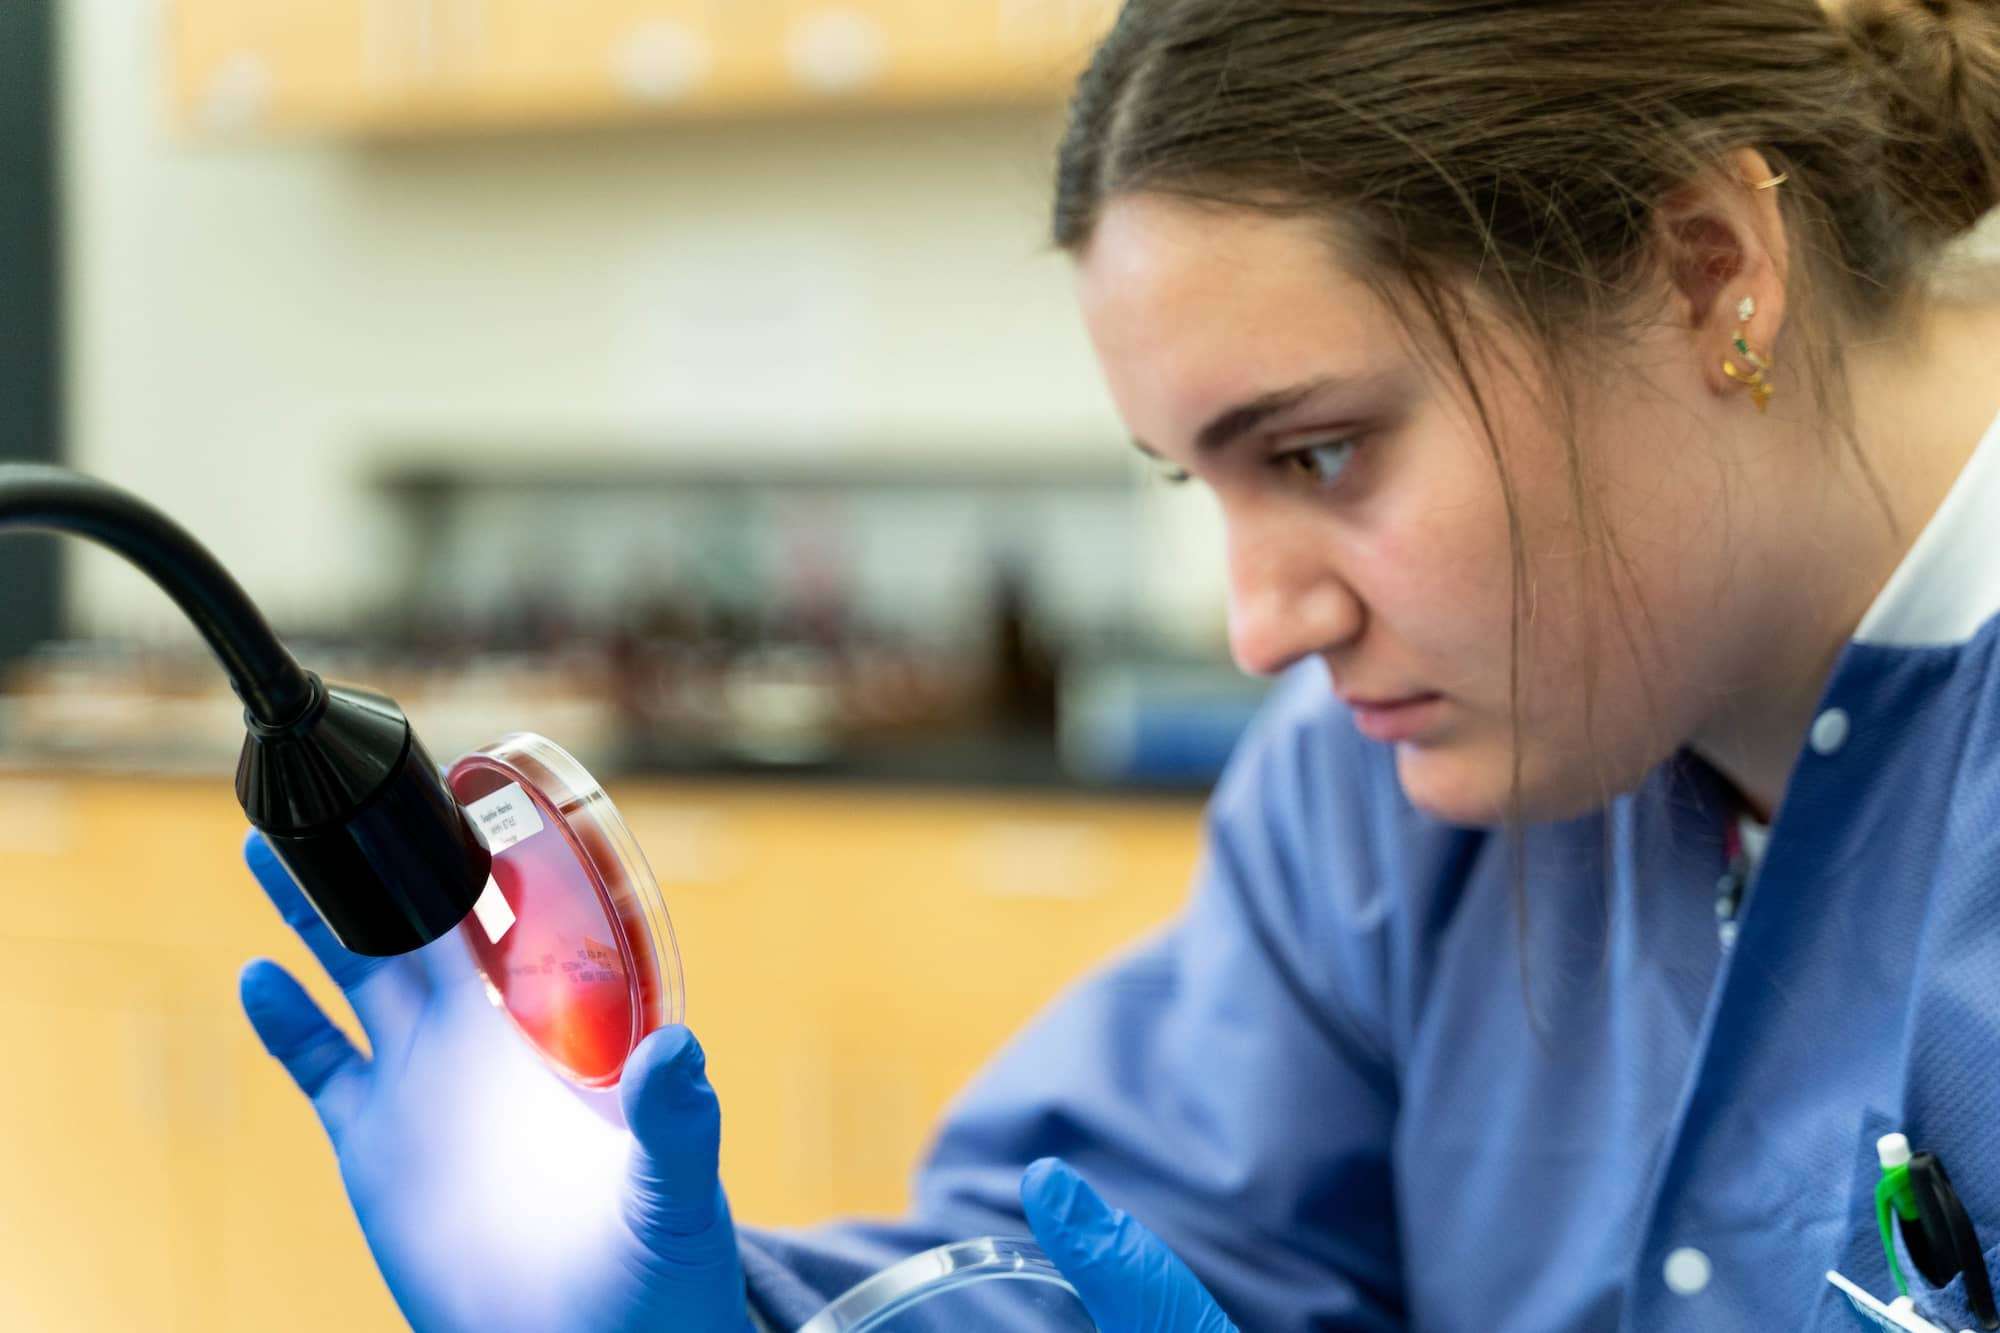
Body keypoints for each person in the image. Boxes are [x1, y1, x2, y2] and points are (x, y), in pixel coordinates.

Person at [236, 0, 2000, 1327]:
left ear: (1709, 275)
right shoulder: (1374, 791)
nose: (1262, 628)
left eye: (1316, 454)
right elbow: (1138, 1248)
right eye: (1201, 484)